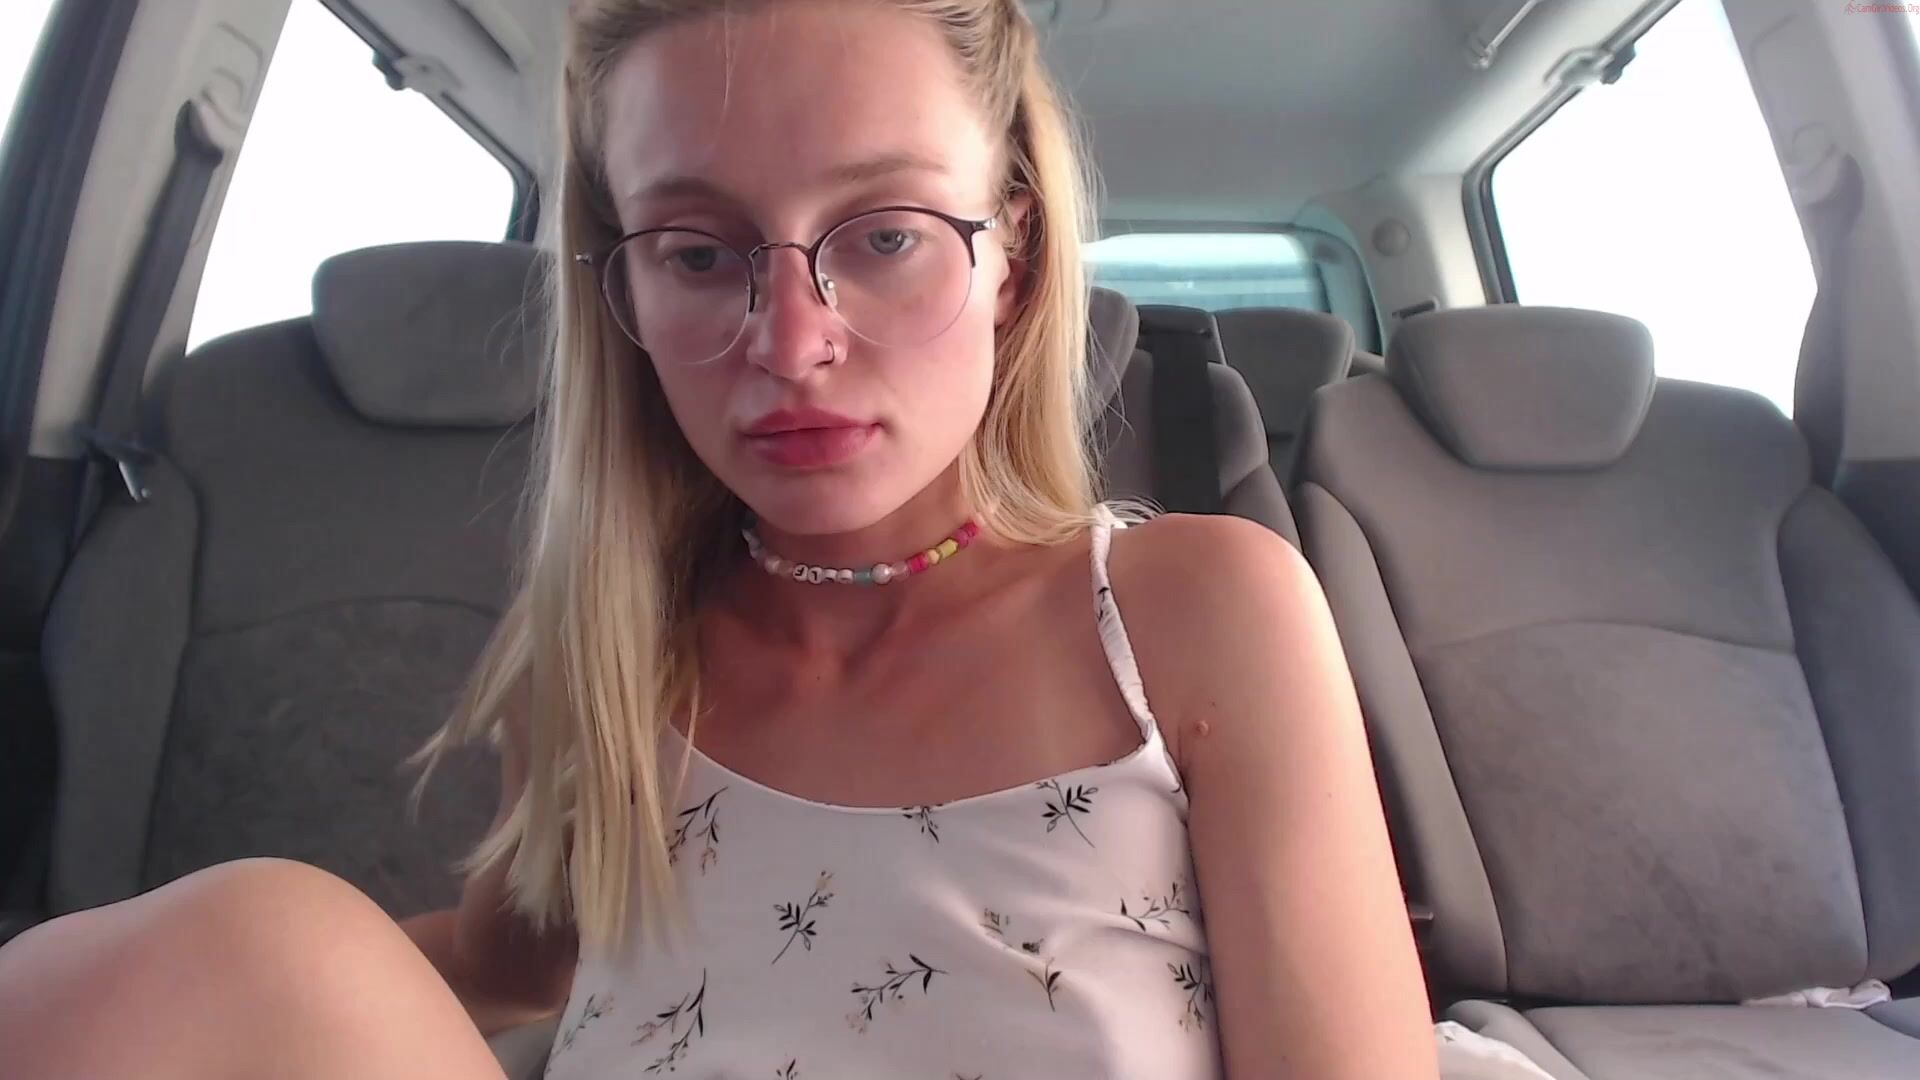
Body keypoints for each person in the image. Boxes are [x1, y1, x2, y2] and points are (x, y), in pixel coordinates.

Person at [0, 1, 1437, 1076]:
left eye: (885, 234)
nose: (792, 341)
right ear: (623, 289)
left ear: (1013, 257)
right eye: (698, 252)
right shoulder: (617, 654)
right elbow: (505, 966)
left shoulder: (1199, 610)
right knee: (246, 941)